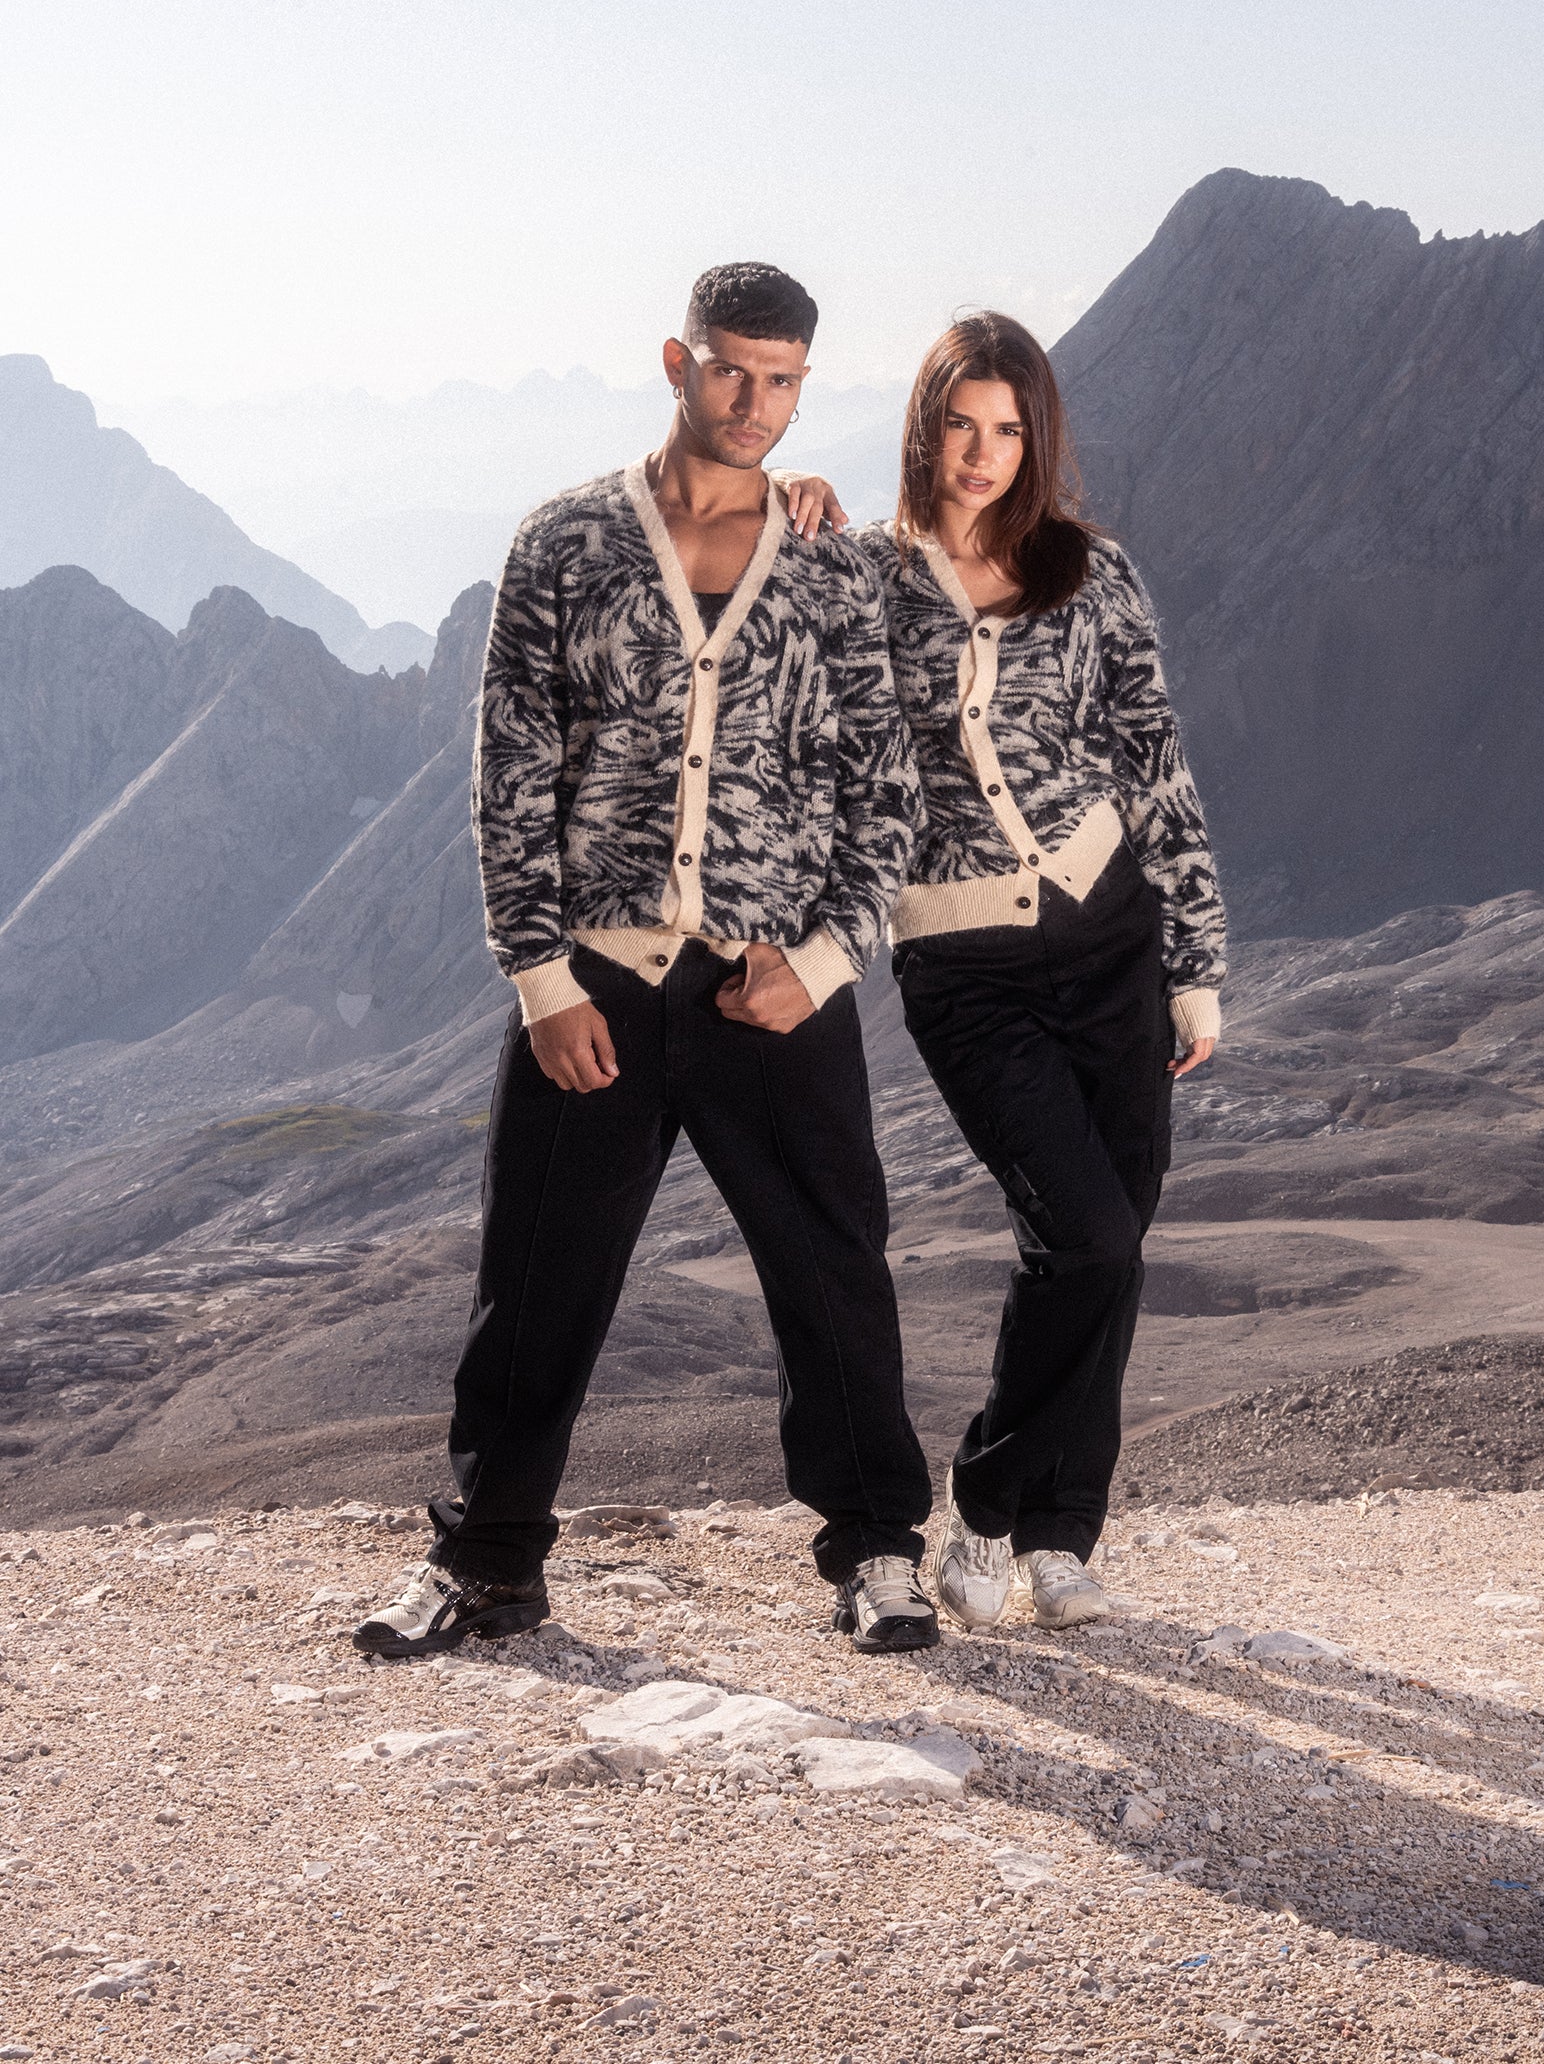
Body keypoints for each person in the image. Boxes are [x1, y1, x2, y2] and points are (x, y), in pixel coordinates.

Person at [352, 262, 939, 1661]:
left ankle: (876, 1552)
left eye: (783, 381)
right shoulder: (563, 542)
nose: (756, 403)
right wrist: (543, 982)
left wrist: (826, 962)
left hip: (772, 986)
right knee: (535, 1281)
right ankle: (488, 1560)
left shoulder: (835, 569)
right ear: (679, 363)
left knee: (833, 1273)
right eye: (732, 370)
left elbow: (887, 790)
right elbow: (511, 775)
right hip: (598, 987)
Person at [785, 312, 1224, 1630]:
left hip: (1113, 936)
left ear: (1037, 440)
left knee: (1109, 1252)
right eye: (960, 426)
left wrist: (1194, 960)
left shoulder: (1090, 572)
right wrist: (783, 495)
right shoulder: (858, 576)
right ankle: (982, 1502)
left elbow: (1154, 762)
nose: (982, 454)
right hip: (964, 968)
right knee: (1085, 1233)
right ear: (925, 430)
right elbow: (762, 645)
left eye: (1009, 431)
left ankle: (1056, 1539)